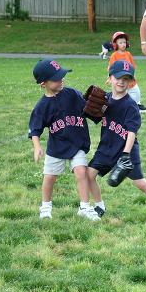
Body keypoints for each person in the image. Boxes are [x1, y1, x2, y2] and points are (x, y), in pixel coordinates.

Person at [86, 60, 146, 220]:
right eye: (118, 77)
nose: (121, 82)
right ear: (109, 78)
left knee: (140, 183)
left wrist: (125, 154)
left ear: (130, 82)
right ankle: (99, 207)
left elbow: (131, 132)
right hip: (106, 149)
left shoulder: (130, 105)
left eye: (126, 79)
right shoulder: (105, 99)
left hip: (126, 152)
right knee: (89, 175)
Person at [28, 59, 101, 221]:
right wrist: (37, 146)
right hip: (57, 147)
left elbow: (87, 108)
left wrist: (96, 108)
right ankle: (45, 207)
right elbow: (35, 129)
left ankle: (84, 207)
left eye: (62, 75)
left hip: (77, 143)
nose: (61, 79)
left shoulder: (73, 94)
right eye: (56, 78)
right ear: (43, 83)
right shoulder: (42, 106)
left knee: (81, 172)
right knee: (49, 177)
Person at [104, 31, 146, 112]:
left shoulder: (128, 54)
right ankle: (119, 106)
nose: (123, 44)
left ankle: (136, 104)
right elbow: (111, 69)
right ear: (115, 44)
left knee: (136, 92)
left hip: (129, 78)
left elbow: (132, 67)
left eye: (124, 42)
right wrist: (109, 78)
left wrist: (133, 76)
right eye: (120, 42)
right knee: (119, 93)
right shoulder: (114, 55)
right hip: (119, 79)